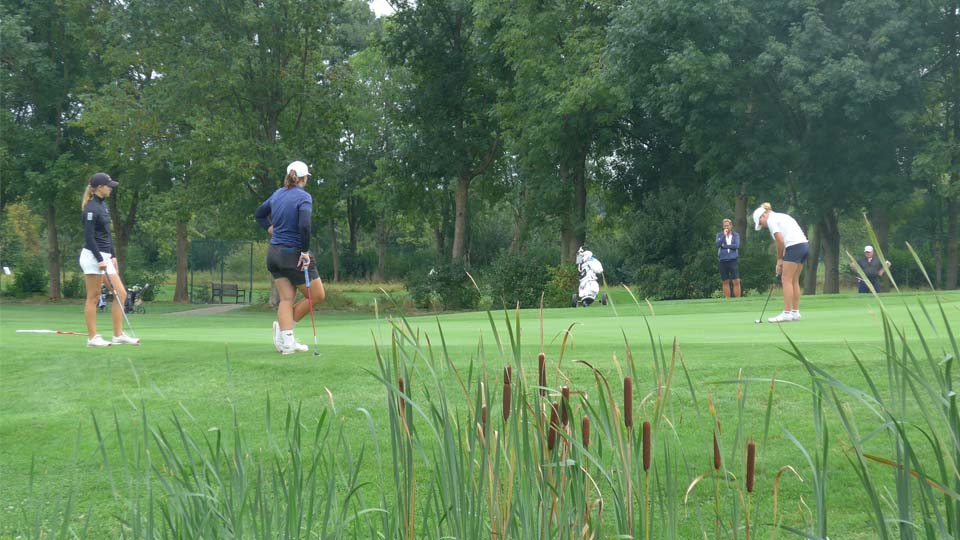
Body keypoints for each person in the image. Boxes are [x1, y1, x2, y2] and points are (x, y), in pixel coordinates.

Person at [255, 161, 325, 355]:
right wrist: (304, 251)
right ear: (304, 178)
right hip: (292, 254)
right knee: (317, 295)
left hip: (274, 254)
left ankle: (287, 341)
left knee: (286, 298)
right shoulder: (304, 197)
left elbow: (259, 215)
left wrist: (271, 230)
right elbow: (305, 226)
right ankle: (287, 333)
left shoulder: (278, 194)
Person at [79, 173, 140, 347]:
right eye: (108, 185)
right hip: (92, 256)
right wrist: (100, 259)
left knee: (121, 293)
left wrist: (112, 256)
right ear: (99, 187)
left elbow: (107, 235)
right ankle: (92, 338)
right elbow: (89, 238)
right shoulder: (90, 208)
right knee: (94, 296)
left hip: (105, 256)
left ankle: (118, 335)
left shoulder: (102, 206)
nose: (110, 188)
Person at [752, 202, 809, 323]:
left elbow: (780, 241)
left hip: (794, 247)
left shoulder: (771, 220)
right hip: (804, 246)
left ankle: (787, 313)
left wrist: (779, 260)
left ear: (763, 216)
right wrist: (782, 260)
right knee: (794, 280)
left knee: (786, 279)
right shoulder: (782, 216)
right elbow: (785, 240)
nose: (763, 226)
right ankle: (795, 312)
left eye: (761, 223)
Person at [715, 218, 741, 298]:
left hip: (733, 260)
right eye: (725, 226)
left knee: (736, 280)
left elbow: (736, 246)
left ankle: (738, 300)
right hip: (723, 260)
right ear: (723, 227)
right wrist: (724, 235)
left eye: (728, 225)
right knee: (725, 281)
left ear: (731, 226)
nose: (726, 227)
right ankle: (727, 300)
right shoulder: (719, 235)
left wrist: (725, 246)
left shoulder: (735, 235)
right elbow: (718, 244)